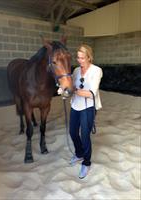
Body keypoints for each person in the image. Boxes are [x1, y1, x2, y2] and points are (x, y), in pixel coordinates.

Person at [69, 44, 103, 179]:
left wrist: (74, 91)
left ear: (89, 57)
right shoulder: (76, 70)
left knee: (84, 135)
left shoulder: (97, 71)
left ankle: (87, 162)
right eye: (78, 57)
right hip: (75, 105)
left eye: (82, 58)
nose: (79, 60)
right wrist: (64, 90)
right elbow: (70, 85)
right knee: (72, 132)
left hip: (89, 107)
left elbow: (91, 93)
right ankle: (79, 153)